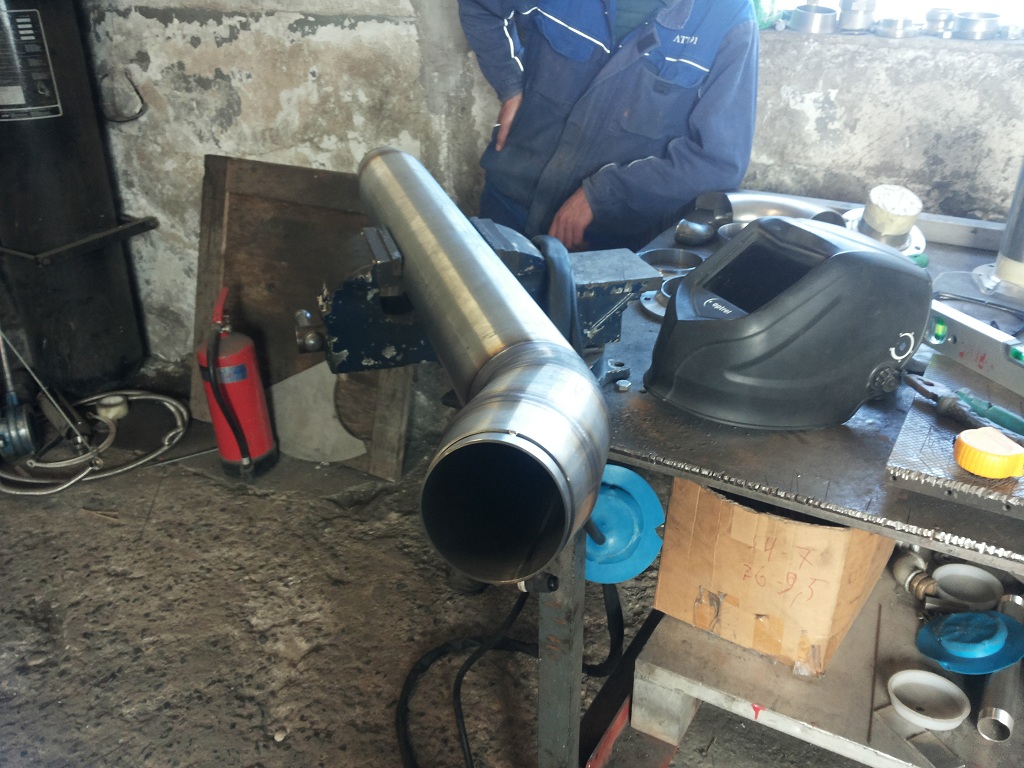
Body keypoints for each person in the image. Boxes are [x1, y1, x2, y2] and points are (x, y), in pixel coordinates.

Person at [459, 0, 759, 252]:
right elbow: (481, 6)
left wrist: (604, 195)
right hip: (510, 196)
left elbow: (719, 161)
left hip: (608, 237)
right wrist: (510, 85)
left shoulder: (729, 16)